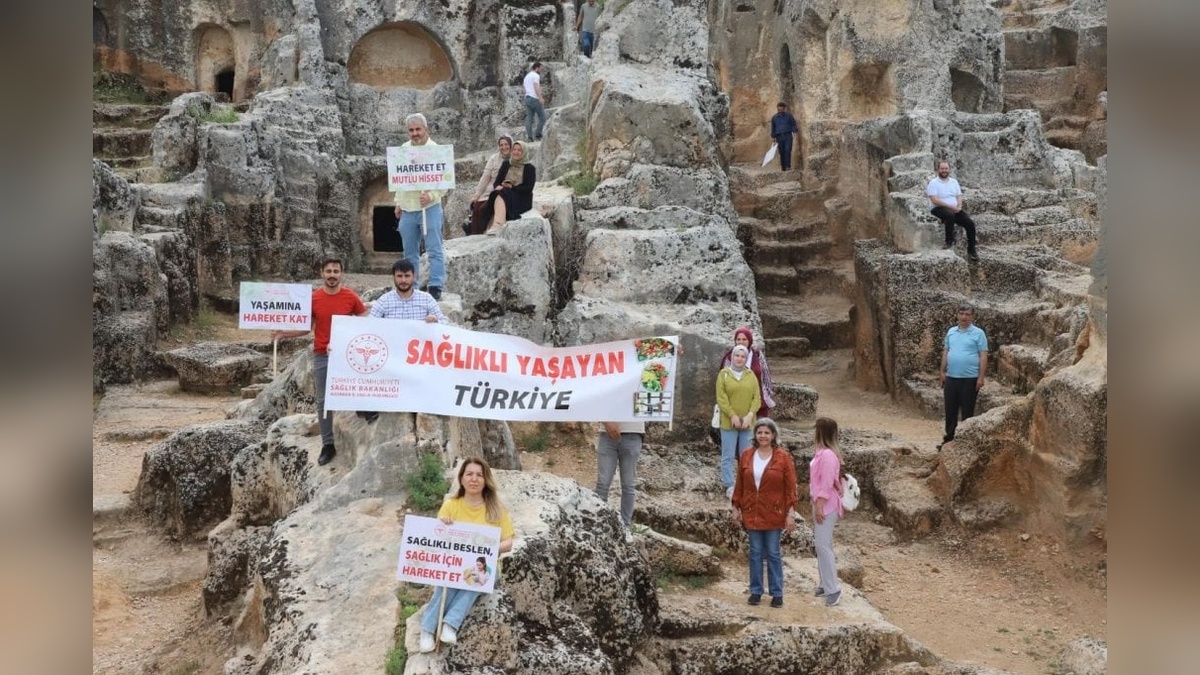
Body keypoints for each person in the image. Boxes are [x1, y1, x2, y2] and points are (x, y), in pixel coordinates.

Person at [271, 258, 368, 466]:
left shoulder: (351, 297)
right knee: (324, 401)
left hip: (346, 355)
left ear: (341, 273)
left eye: (336, 271)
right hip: (322, 354)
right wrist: (283, 333)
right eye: (328, 271)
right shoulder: (314, 298)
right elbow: (307, 327)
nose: (332, 275)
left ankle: (363, 409)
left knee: (357, 386)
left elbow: (365, 321)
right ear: (322, 273)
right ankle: (328, 444)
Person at [418, 457, 515, 653]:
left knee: (477, 577)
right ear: (461, 478)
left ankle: (450, 624)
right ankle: (427, 630)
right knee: (449, 582)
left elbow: (509, 542)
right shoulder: (451, 505)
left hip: (485, 565)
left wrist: (491, 548)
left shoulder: (496, 508)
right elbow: (436, 538)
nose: (474, 479)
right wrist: (443, 525)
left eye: (479, 475)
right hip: (455, 562)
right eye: (469, 474)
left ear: (486, 480)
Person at [731, 418, 797, 608]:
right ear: (755, 435)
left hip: (774, 512)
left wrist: (790, 512)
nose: (763, 436)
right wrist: (735, 506)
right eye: (760, 432)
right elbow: (740, 483)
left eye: (767, 433)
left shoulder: (783, 457)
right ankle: (756, 591)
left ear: (773, 435)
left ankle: (777, 593)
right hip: (752, 511)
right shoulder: (746, 455)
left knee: (773, 553)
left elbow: (791, 487)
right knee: (755, 553)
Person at [393, 113, 448, 299]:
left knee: (434, 249)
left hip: (430, 207)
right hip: (408, 208)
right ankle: (412, 287)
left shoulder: (437, 151)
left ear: (426, 129)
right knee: (409, 252)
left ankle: (436, 285)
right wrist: (398, 202)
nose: (415, 133)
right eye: (411, 130)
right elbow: (399, 178)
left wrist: (431, 195)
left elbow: (445, 181)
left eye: (418, 129)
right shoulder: (403, 150)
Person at [938, 302, 989, 450]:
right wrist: (942, 371)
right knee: (950, 410)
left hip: (969, 378)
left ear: (972, 317)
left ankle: (966, 442)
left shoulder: (978, 333)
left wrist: (981, 377)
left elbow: (983, 355)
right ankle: (949, 440)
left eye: (967, 314)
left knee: (967, 411)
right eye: (961, 314)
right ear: (957, 315)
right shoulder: (951, 332)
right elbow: (946, 351)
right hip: (951, 377)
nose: (964, 317)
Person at [716, 345, 761, 500]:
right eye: (737, 355)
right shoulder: (724, 374)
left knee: (746, 456)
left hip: (748, 423)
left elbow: (756, 398)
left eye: (743, 356)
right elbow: (721, 398)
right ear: (732, 357)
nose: (739, 359)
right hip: (729, 423)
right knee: (728, 455)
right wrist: (732, 415)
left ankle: (745, 485)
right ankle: (729, 485)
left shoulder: (751, 375)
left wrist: (749, 415)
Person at [809, 416, 845, 607]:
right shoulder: (822, 452)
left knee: (823, 545)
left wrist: (820, 505)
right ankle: (825, 583)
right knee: (822, 544)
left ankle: (833, 589)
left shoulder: (828, 455)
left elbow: (826, 482)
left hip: (826, 505)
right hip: (821, 503)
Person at [594, 420, 645, 529]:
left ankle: (625, 528)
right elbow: (596, 408)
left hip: (633, 432)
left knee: (628, 485)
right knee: (602, 484)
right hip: (606, 433)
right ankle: (599, 525)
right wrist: (607, 423)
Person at [719, 327, 776, 420]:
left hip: (759, 400)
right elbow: (724, 382)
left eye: (744, 339)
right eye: (738, 339)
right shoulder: (729, 358)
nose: (741, 342)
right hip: (737, 402)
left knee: (761, 426)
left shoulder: (757, 354)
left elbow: (766, 375)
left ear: (749, 340)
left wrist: (768, 394)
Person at [927, 160, 979, 261]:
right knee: (949, 215)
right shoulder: (933, 183)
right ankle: (949, 241)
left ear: (949, 169)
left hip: (954, 209)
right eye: (942, 168)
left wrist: (959, 206)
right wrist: (951, 207)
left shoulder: (954, 182)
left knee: (970, 223)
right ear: (938, 169)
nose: (944, 170)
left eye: (946, 168)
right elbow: (934, 200)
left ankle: (971, 250)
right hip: (937, 208)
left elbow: (959, 195)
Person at [369, 259, 448, 324]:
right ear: (393, 277)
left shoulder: (427, 299)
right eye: (399, 276)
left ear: (414, 276)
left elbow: (445, 323)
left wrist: (435, 320)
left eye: (407, 276)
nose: (403, 280)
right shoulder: (384, 300)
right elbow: (370, 323)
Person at [483, 141, 536, 234]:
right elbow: (497, 182)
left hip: (522, 198)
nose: (516, 152)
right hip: (506, 194)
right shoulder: (506, 164)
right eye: (514, 150)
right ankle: (490, 225)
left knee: (501, 194)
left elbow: (528, 189)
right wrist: (499, 186)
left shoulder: (530, 168)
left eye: (519, 150)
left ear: (524, 152)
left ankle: (498, 224)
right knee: (496, 193)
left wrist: (512, 187)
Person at [466, 134, 514, 235]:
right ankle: (476, 234)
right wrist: (477, 194)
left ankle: (492, 229)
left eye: (506, 144)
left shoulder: (515, 158)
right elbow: (485, 176)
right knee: (477, 207)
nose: (504, 147)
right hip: (490, 189)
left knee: (486, 207)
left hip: (505, 189)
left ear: (511, 145)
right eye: (501, 145)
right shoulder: (494, 158)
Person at [769, 102, 799, 171]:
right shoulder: (774, 118)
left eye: (782, 110)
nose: (780, 111)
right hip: (779, 137)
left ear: (784, 109)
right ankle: (783, 167)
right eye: (779, 110)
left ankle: (788, 166)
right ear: (777, 109)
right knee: (781, 152)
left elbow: (793, 124)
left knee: (787, 150)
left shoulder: (789, 116)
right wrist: (773, 137)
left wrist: (794, 131)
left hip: (788, 136)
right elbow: (773, 128)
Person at [522, 62, 546, 142]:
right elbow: (536, 87)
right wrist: (540, 98)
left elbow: (524, 88)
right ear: (537, 68)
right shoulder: (536, 76)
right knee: (542, 117)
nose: (542, 70)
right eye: (541, 68)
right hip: (534, 98)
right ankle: (538, 135)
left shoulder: (527, 76)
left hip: (527, 98)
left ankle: (529, 137)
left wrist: (527, 94)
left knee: (529, 118)